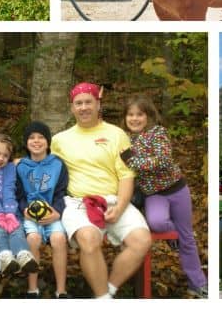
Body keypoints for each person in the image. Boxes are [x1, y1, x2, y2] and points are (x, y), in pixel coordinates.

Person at [51, 82, 151, 299]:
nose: (84, 107)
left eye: (88, 102)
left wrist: (121, 206)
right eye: (78, 103)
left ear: (98, 104)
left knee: (142, 240)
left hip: (115, 200)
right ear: (72, 107)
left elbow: (126, 175)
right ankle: (103, 298)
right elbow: (44, 168)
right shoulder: (59, 140)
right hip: (78, 203)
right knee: (88, 239)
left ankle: (109, 290)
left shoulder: (117, 135)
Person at [120, 95, 208, 298]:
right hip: (153, 195)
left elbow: (161, 160)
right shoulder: (124, 140)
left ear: (148, 116)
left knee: (187, 237)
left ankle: (198, 282)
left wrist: (132, 161)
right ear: (125, 118)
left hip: (177, 190)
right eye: (130, 115)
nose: (135, 119)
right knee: (157, 223)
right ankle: (176, 235)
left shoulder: (157, 133)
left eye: (139, 114)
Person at [16, 121, 69, 298]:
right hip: (30, 215)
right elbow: (19, 194)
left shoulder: (57, 164)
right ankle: (33, 289)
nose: (36, 141)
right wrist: (24, 210)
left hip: (53, 213)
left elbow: (61, 192)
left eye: (41, 137)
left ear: (48, 142)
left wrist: (57, 212)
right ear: (26, 142)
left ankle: (61, 291)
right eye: (31, 138)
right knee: (33, 239)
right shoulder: (21, 166)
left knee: (59, 238)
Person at [0, 134, 39, 277]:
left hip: (11, 211)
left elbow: (8, 189)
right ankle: (3, 257)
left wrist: (9, 213)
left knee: (16, 229)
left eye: (5, 155)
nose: (0, 158)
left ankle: (23, 255)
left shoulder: (10, 168)